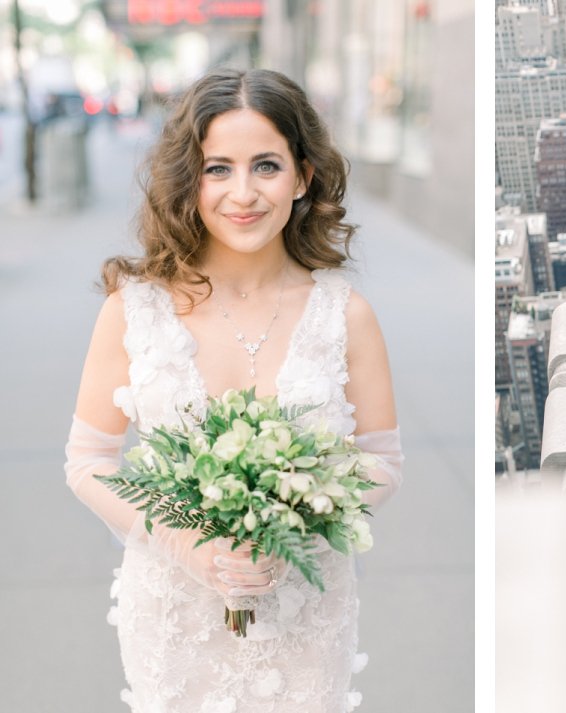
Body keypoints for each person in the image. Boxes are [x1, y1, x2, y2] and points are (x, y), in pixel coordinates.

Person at [63, 68, 403, 712]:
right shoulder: (134, 310)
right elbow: (87, 461)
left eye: (266, 166)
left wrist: (299, 527)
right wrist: (180, 539)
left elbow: (383, 460)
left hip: (305, 612)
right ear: (187, 180)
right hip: (174, 616)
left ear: (303, 176)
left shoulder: (344, 314)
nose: (242, 193)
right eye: (217, 168)